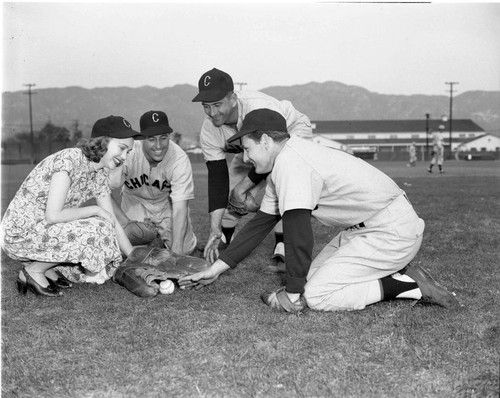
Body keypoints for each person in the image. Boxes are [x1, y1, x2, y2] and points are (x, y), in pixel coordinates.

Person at [179, 109, 460, 313]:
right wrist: (216, 269)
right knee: (309, 280)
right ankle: (396, 273)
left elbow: (298, 234)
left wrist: (291, 293)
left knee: (317, 295)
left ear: (265, 140)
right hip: (370, 228)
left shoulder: (293, 164)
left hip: (391, 231)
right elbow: (259, 226)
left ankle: (408, 286)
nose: (244, 157)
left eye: (247, 148)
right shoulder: (286, 161)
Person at [0, 116, 143, 297]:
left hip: (41, 229)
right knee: (98, 227)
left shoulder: (99, 173)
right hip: (20, 233)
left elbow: (112, 219)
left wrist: (132, 257)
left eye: (128, 152)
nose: (124, 157)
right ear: (103, 141)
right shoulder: (70, 159)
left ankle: (46, 268)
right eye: (122, 148)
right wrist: (95, 210)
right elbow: (54, 215)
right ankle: (33, 271)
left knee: (103, 229)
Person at [192, 68, 313, 264]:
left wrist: (244, 187)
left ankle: (283, 242)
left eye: (217, 104)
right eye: (206, 106)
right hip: (251, 146)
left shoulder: (257, 108)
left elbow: (269, 158)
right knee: (233, 189)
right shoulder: (209, 129)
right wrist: (214, 226)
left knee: (280, 183)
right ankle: (224, 236)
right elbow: (217, 178)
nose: (212, 113)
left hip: (290, 133)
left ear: (232, 98)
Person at [109, 110, 198, 255]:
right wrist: (126, 223)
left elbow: (181, 206)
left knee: (185, 249)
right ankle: (150, 241)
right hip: (135, 202)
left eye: (163, 138)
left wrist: (177, 252)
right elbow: (101, 189)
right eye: (151, 139)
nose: (158, 145)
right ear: (142, 138)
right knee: (129, 251)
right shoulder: (128, 153)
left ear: (169, 136)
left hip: (167, 204)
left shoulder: (179, 158)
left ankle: (171, 241)